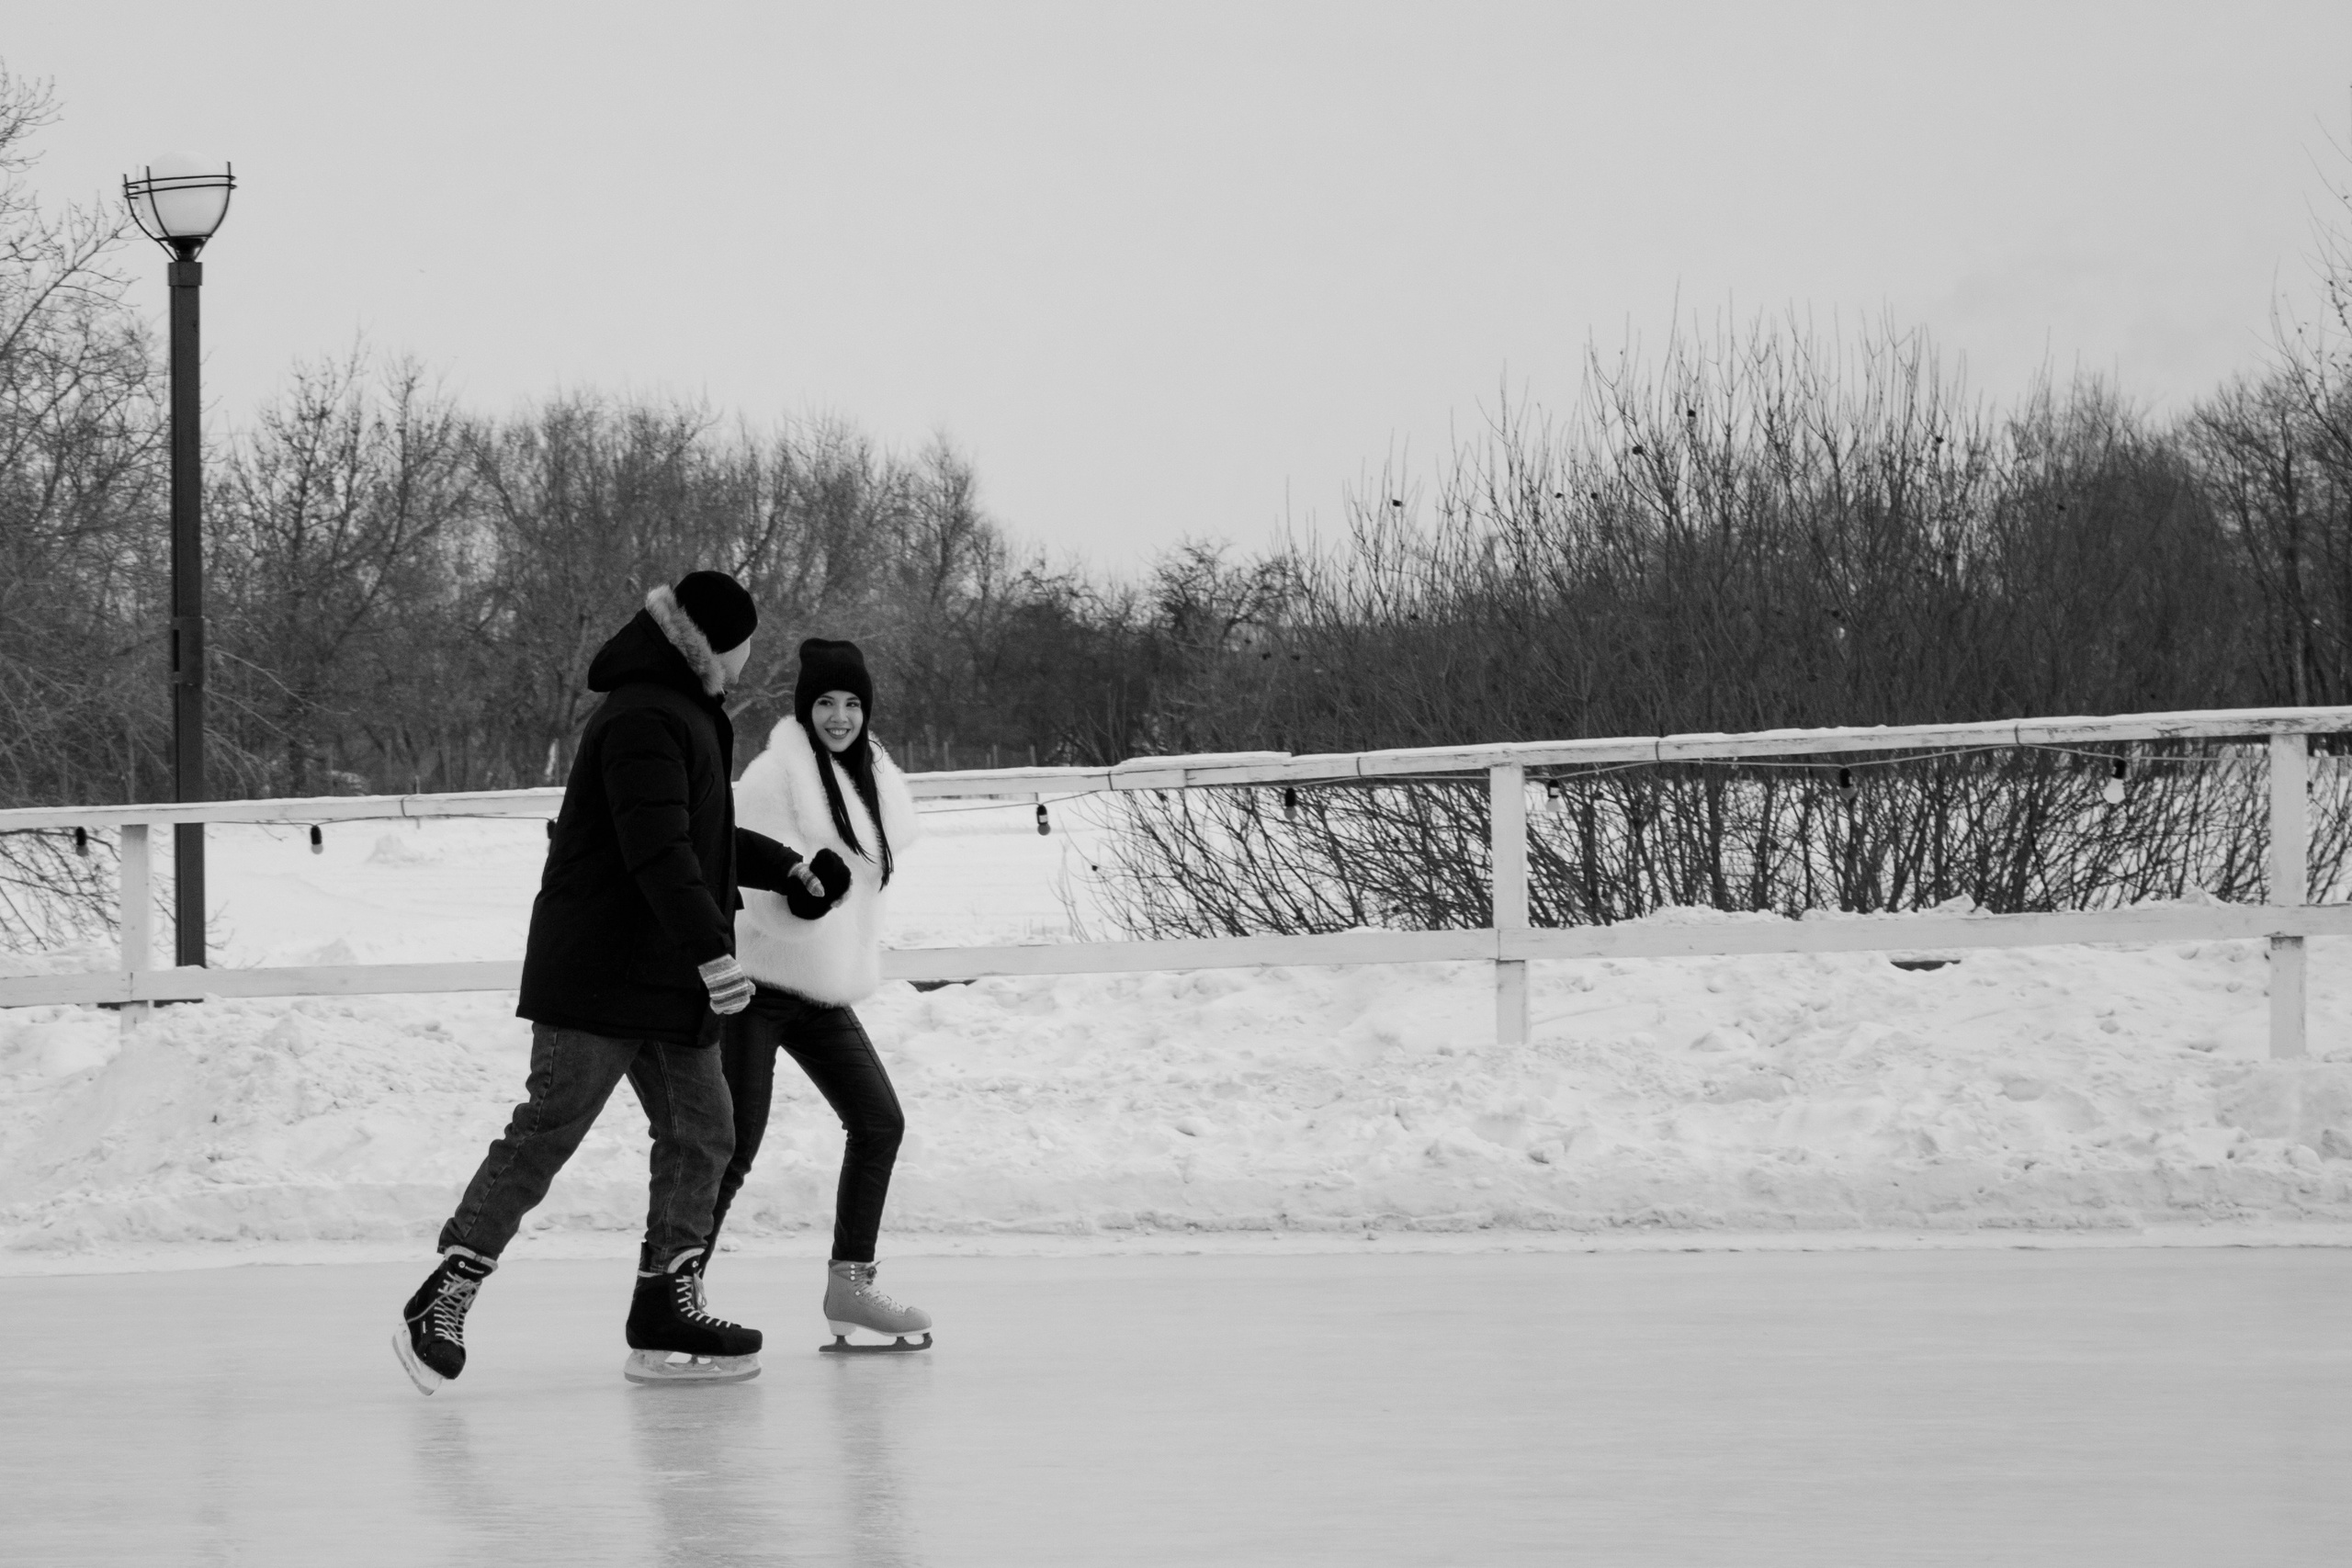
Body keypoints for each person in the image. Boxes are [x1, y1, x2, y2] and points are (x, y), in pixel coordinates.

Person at [394, 572, 843, 1394]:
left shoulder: (681, 711)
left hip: (663, 975)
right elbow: (655, 849)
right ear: (716, 641)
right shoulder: (644, 713)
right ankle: (445, 1292)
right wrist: (714, 950)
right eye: (745, 643)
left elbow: (696, 834)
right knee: (550, 1127)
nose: (750, 659)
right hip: (601, 970)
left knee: (705, 1132)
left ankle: (664, 1300)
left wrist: (786, 871)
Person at [707, 637, 934, 1352]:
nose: (839, 716)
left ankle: (851, 1287)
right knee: (734, 1143)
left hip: (823, 990)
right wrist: (803, 900)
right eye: (826, 703)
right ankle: (675, 1287)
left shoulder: (871, 779)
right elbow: (748, 875)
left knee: (880, 1121)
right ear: (805, 708)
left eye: (852, 703)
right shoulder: (777, 776)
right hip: (761, 980)